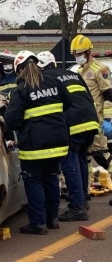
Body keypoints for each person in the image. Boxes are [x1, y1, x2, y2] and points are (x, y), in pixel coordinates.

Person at [4, 50, 71, 235]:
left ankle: (38, 224)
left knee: (34, 182)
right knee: (50, 178)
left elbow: (12, 120)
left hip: (35, 146)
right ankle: (52, 219)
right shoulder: (54, 82)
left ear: (19, 70)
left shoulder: (21, 88)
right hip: (58, 142)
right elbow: (68, 103)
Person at [37, 51, 99, 221]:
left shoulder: (46, 79)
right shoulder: (72, 74)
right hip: (91, 121)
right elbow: (88, 96)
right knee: (80, 160)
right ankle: (82, 199)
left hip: (73, 124)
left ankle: (77, 208)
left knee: (69, 163)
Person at [70, 34, 112, 192]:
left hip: (98, 120)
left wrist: (108, 119)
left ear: (88, 52)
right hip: (83, 121)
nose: (77, 57)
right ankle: (84, 192)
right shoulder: (78, 72)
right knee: (85, 157)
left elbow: (108, 94)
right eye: (75, 54)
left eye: (79, 54)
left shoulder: (100, 69)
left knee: (102, 156)